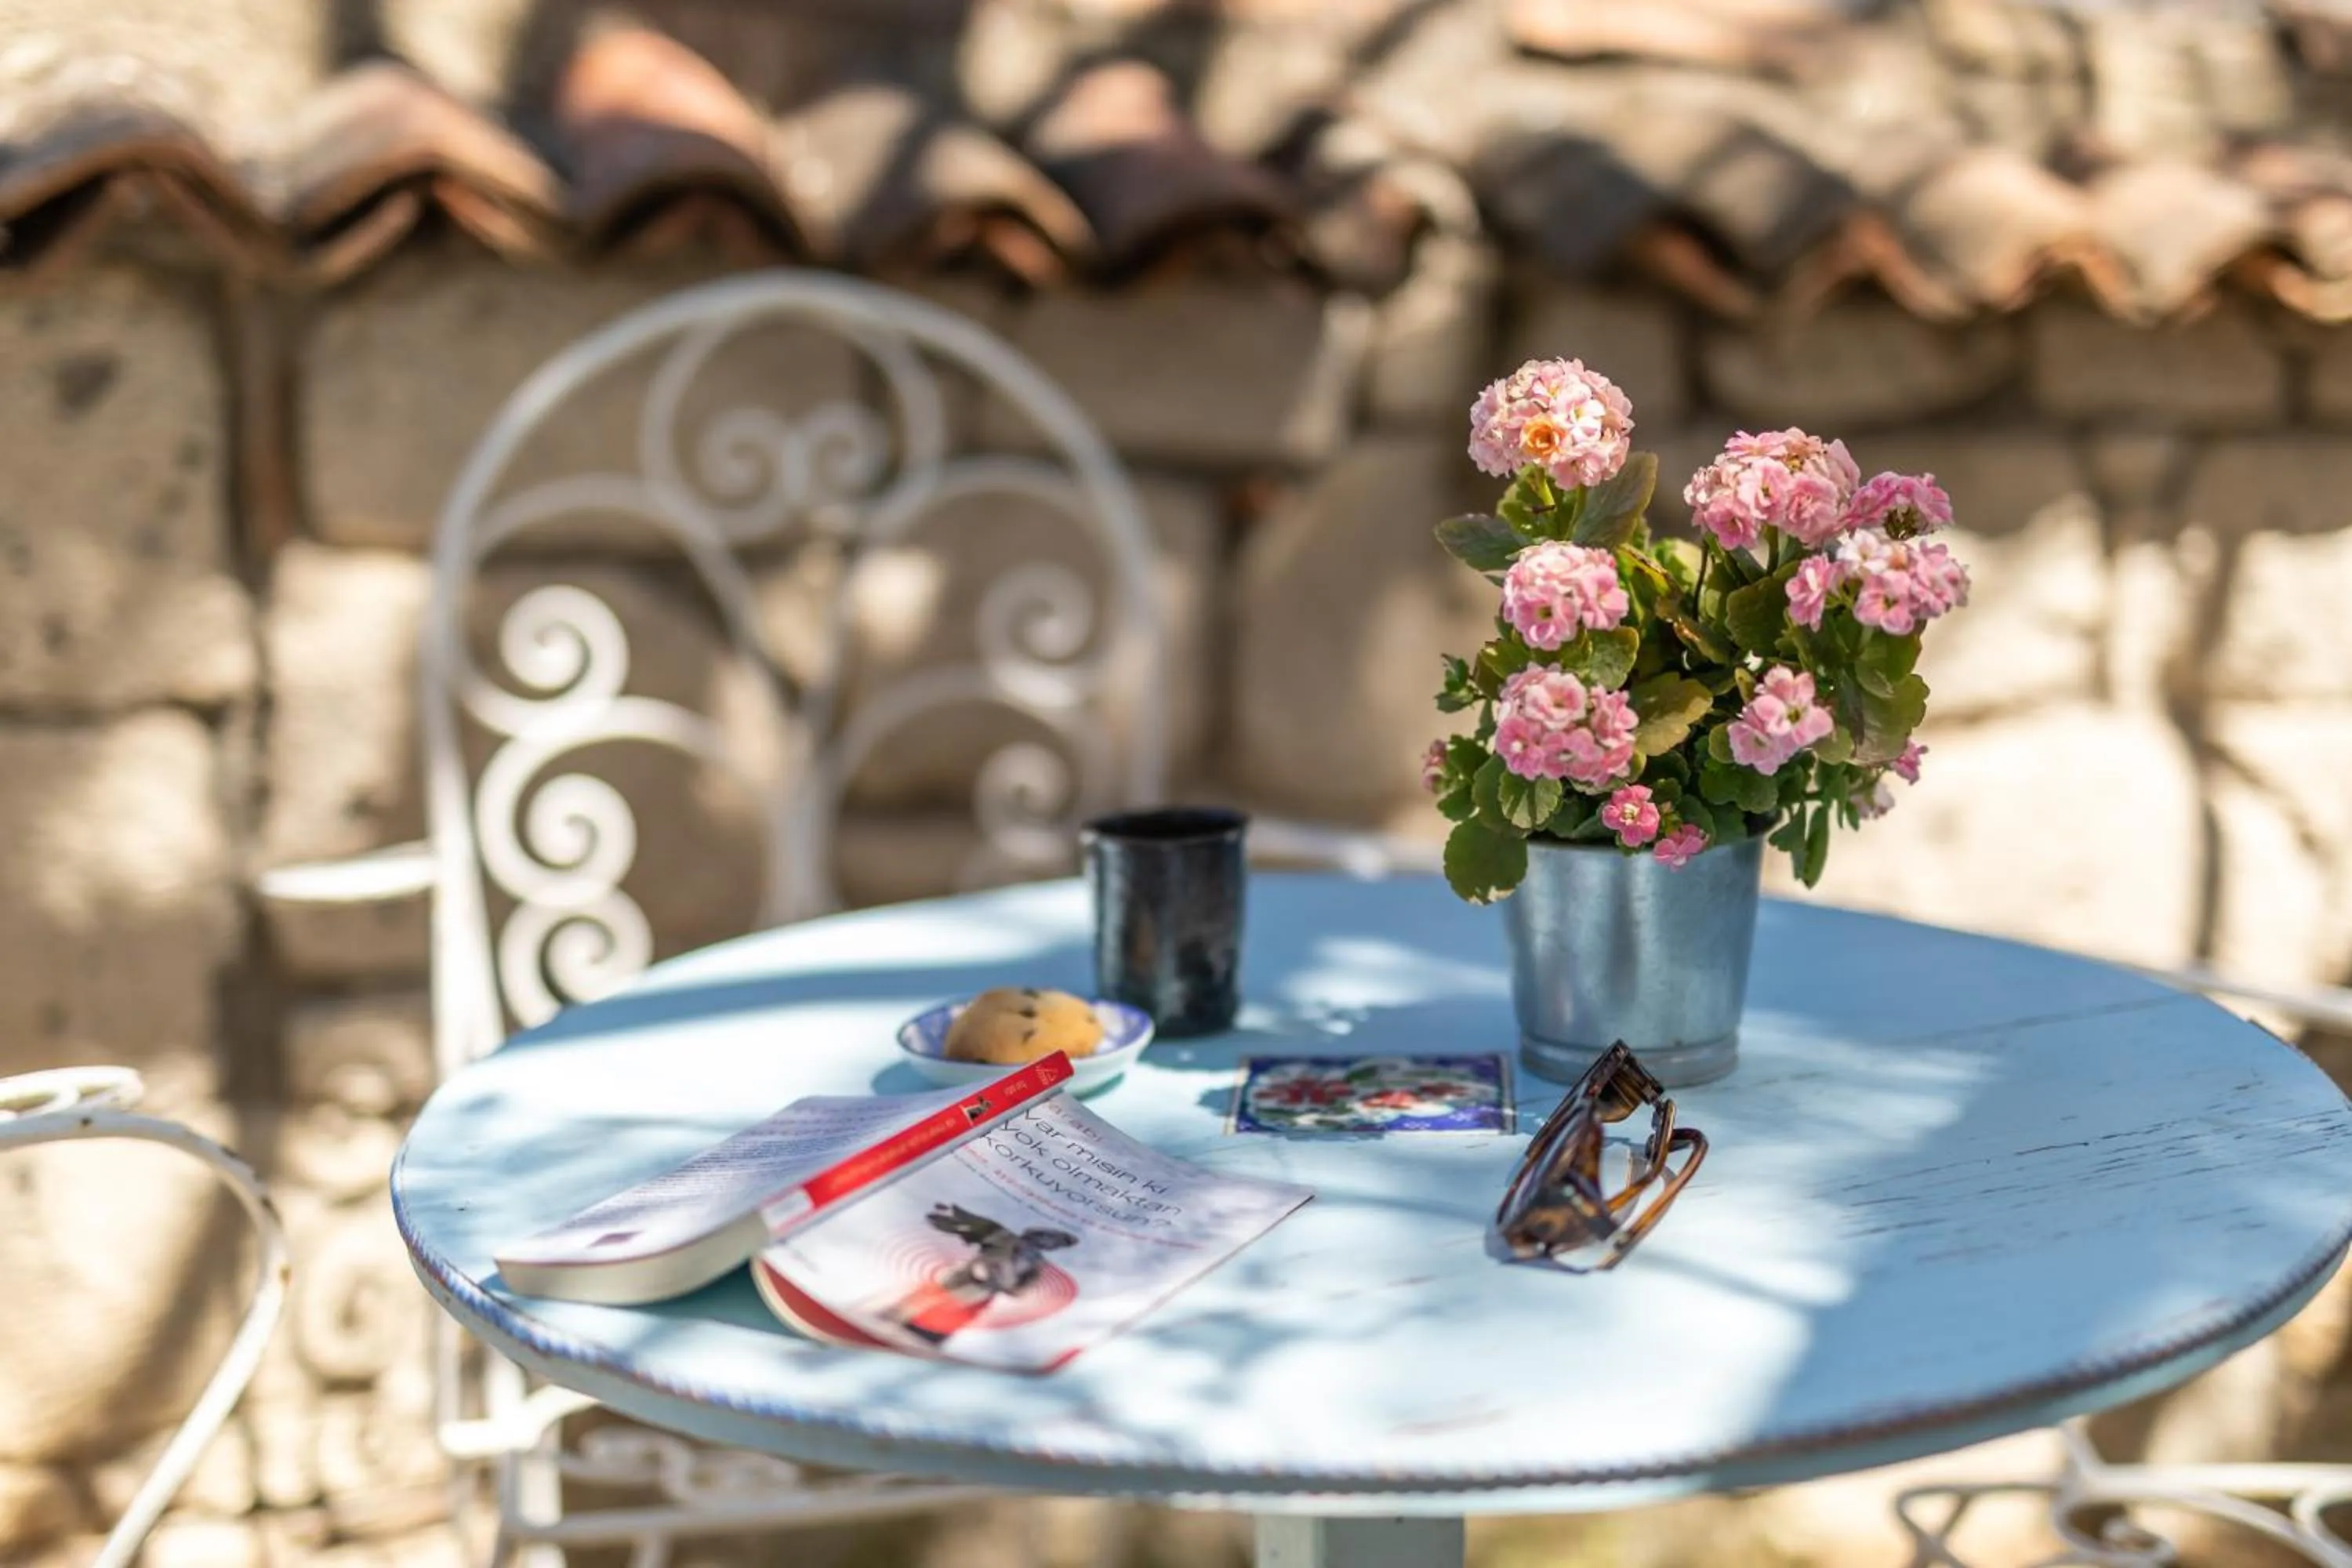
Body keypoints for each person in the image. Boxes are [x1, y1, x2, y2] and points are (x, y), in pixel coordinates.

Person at [878, 1203, 1078, 1346]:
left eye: (1050, 1241)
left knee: (948, 1313)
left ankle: (925, 1335)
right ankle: (895, 1316)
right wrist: (952, 1218)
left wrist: (1004, 1282)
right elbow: (977, 1225)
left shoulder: (1036, 1264)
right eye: (1042, 1236)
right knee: (930, 1296)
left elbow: (1020, 1291)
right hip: (966, 1277)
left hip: (984, 1291)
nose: (1043, 1241)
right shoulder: (1006, 1239)